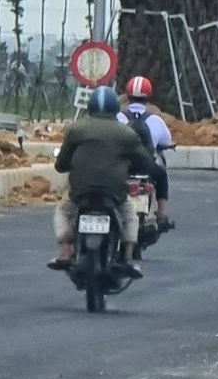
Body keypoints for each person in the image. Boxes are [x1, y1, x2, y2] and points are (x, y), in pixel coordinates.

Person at [49, 85, 154, 277]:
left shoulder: (75, 129)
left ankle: (65, 252)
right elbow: (146, 162)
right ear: (116, 107)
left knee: (64, 210)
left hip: (80, 189)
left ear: (90, 107)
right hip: (114, 190)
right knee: (130, 215)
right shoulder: (126, 134)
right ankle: (129, 257)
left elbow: (62, 163)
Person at [118, 75, 174, 230]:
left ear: (127, 95)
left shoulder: (117, 117)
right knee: (161, 175)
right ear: (149, 96)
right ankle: (162, 214)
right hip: (146, 167)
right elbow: (166, 141)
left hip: (122, 167)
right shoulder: (156, 120)